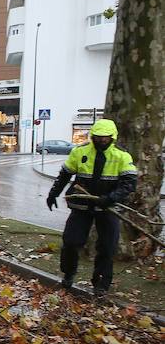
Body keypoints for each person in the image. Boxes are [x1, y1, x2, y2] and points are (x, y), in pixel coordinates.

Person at [46, 119, 136, 297]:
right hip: (81, 205)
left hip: (107, 208)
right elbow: (64, 175)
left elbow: (129, 184)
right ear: (92, 136)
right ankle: (69, 272)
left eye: (105, 138)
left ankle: (101, 283)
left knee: (108, 247)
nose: (101, 141)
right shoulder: (80, 152)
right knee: (71, 241)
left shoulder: (121, 156)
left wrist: (111, 198)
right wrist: (53, 193)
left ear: (112, 138)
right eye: (98, 137)